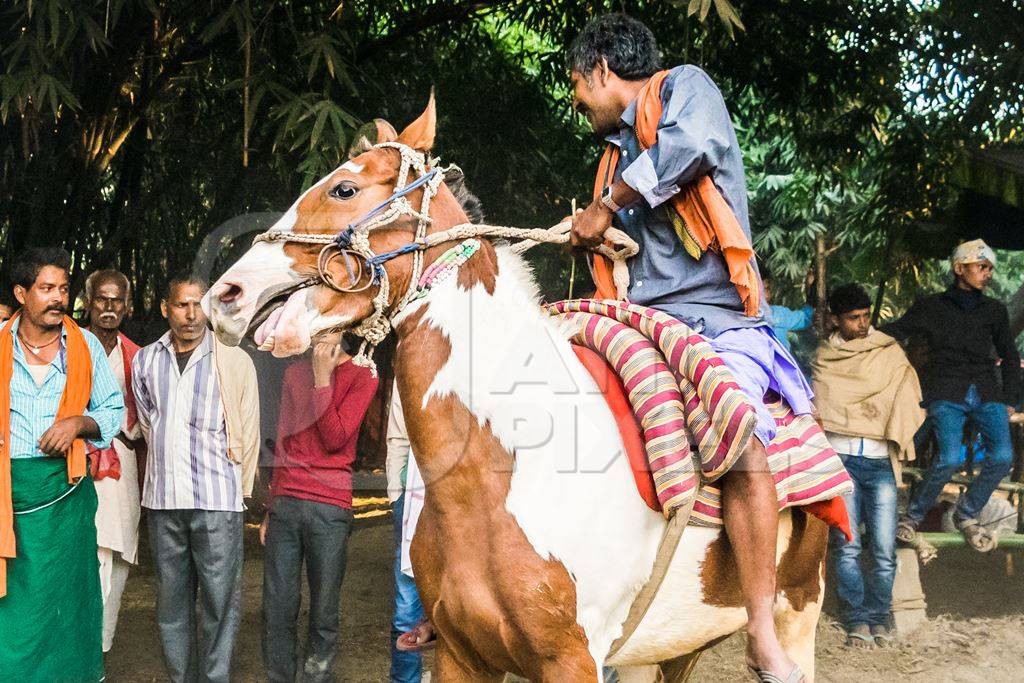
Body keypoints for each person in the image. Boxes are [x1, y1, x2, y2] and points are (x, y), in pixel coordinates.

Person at [567, 14, 817, 680]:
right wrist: (597, 233)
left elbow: (689, 151)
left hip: (718, 319)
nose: (576, 101)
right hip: (642, 320)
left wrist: (606, 204)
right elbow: (627, 236)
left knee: (738, 439)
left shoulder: (687, 89)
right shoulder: (616, 154)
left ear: (600, 69)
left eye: (575, 85)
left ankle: (762, 632)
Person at [0, 247, 124, 681]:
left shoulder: (84, 345)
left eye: (64, 288)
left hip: (65, 494)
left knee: (69, 597)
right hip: (8, 499)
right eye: (46, 288)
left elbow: (113, 411)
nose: (58, 297)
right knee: (14, 605)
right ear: (21, 293)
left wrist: (77, 423)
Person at [133, 274, 260, 683]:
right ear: (165, 308)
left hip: (217, 501)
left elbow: (250, 427)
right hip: (164, 500)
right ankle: (179, 677)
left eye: (197, 305)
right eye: (181, 305)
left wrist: (243, 489)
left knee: (220, 603)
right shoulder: (146, 360)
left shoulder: (233, 358)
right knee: (171, 602)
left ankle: (215, 677)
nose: (190, 315)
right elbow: (151, 423)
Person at [884, 239, 1020, 552]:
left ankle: (966, 512)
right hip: (945, 391)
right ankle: (912, 518)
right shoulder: (931, 307)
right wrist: (859, 334)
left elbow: (1009, 356)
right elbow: (898, 330)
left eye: (989, 268)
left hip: (986, 391)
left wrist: (1011, 398)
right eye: (981, 267)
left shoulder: (995, 311)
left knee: (1002, 457)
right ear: (959, 269)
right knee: (946, 459)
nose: (987, 273)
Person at [812, 284, 924, 647]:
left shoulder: (890, 352)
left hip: (878, 462)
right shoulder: (824, 357)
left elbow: (906, 400)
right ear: (835, 319)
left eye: (865, 317)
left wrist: (871, 416)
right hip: (840, 460)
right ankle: (856, 619)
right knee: (846, 545)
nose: (861, 324)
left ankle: (880, 618)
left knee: (883, 548)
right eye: (852, 318)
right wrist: (869, 411)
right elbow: (824, 407)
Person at [261, 334, 377, 683]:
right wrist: (271, 506)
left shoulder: (364, 375)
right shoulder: (293, 373)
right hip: (287, 502)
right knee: (277, 609)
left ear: (344, 326)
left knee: (324, 612)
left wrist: (323, 378)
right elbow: (284, 439)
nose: (321, 332)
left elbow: (335, 436)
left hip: (330, 508)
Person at [82, 268, 144, 653]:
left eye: (116, 299)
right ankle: (77, 641)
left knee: (119, 550)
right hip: (75, 461)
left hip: (122, 463)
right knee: (85, 548)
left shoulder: (138, 356)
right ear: (88, 303)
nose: (108, 307)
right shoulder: (65, 345)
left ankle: (102, 645)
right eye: (101, 299)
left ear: (127, 305)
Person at [385, 381, 428, 683]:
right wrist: (395, 496)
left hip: (464, 501)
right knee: (407, 606)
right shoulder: (412, 363)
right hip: (412, 499)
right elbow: (398, 435)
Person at [764, 269, 815, 353]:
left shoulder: (778, 314)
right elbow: (806, 317)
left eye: (766, 288)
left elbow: (806, 317)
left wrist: (811, 288)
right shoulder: (778, 315)